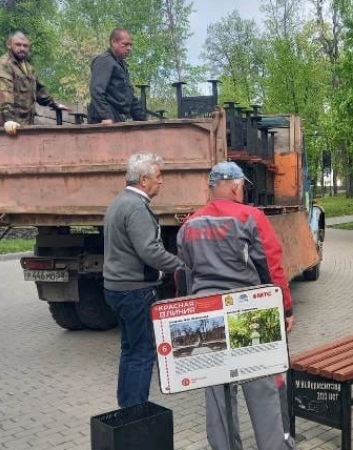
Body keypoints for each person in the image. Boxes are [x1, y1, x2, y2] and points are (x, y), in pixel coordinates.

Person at [177, 161, 295, 450]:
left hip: (206, 318)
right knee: (262, 386)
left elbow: (182, 274)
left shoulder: (189, 224)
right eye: (242, 185)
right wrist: (286, 309)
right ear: (234, 185)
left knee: (216, 392)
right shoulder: (250, 217)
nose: (242, 190)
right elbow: (271, 267)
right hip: (248, 313)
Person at [103, 152, 182, 408]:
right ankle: (136, 412)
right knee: (143, 353)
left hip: (117, 288)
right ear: (144, 179)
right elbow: (149, 251)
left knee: (130, 350)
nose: (162, 182)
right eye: (158, 176)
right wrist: (180, 265)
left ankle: (126, 408)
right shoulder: (136, 207)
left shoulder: (119, 202)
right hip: (135, 291)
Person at [0, 31, 69, 135]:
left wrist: (54, 104)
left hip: (25, 124)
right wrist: (9, 120)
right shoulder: (5, 64)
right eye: (18, 45)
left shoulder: (28, 67)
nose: (22, 48)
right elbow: (5, 92)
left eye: (25, 46)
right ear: (9, 45)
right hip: (8, 127)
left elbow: (39, 90)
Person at [88, 28, 148, 124]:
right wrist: (106, 116)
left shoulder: (121, 65)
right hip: (103, 120)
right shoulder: (104, 61)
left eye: (130, 45)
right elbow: (96, 90)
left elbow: (129, 97)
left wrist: (144, 121)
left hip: (117, 118)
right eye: (125, 44)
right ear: (114, 43)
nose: (129, 48)